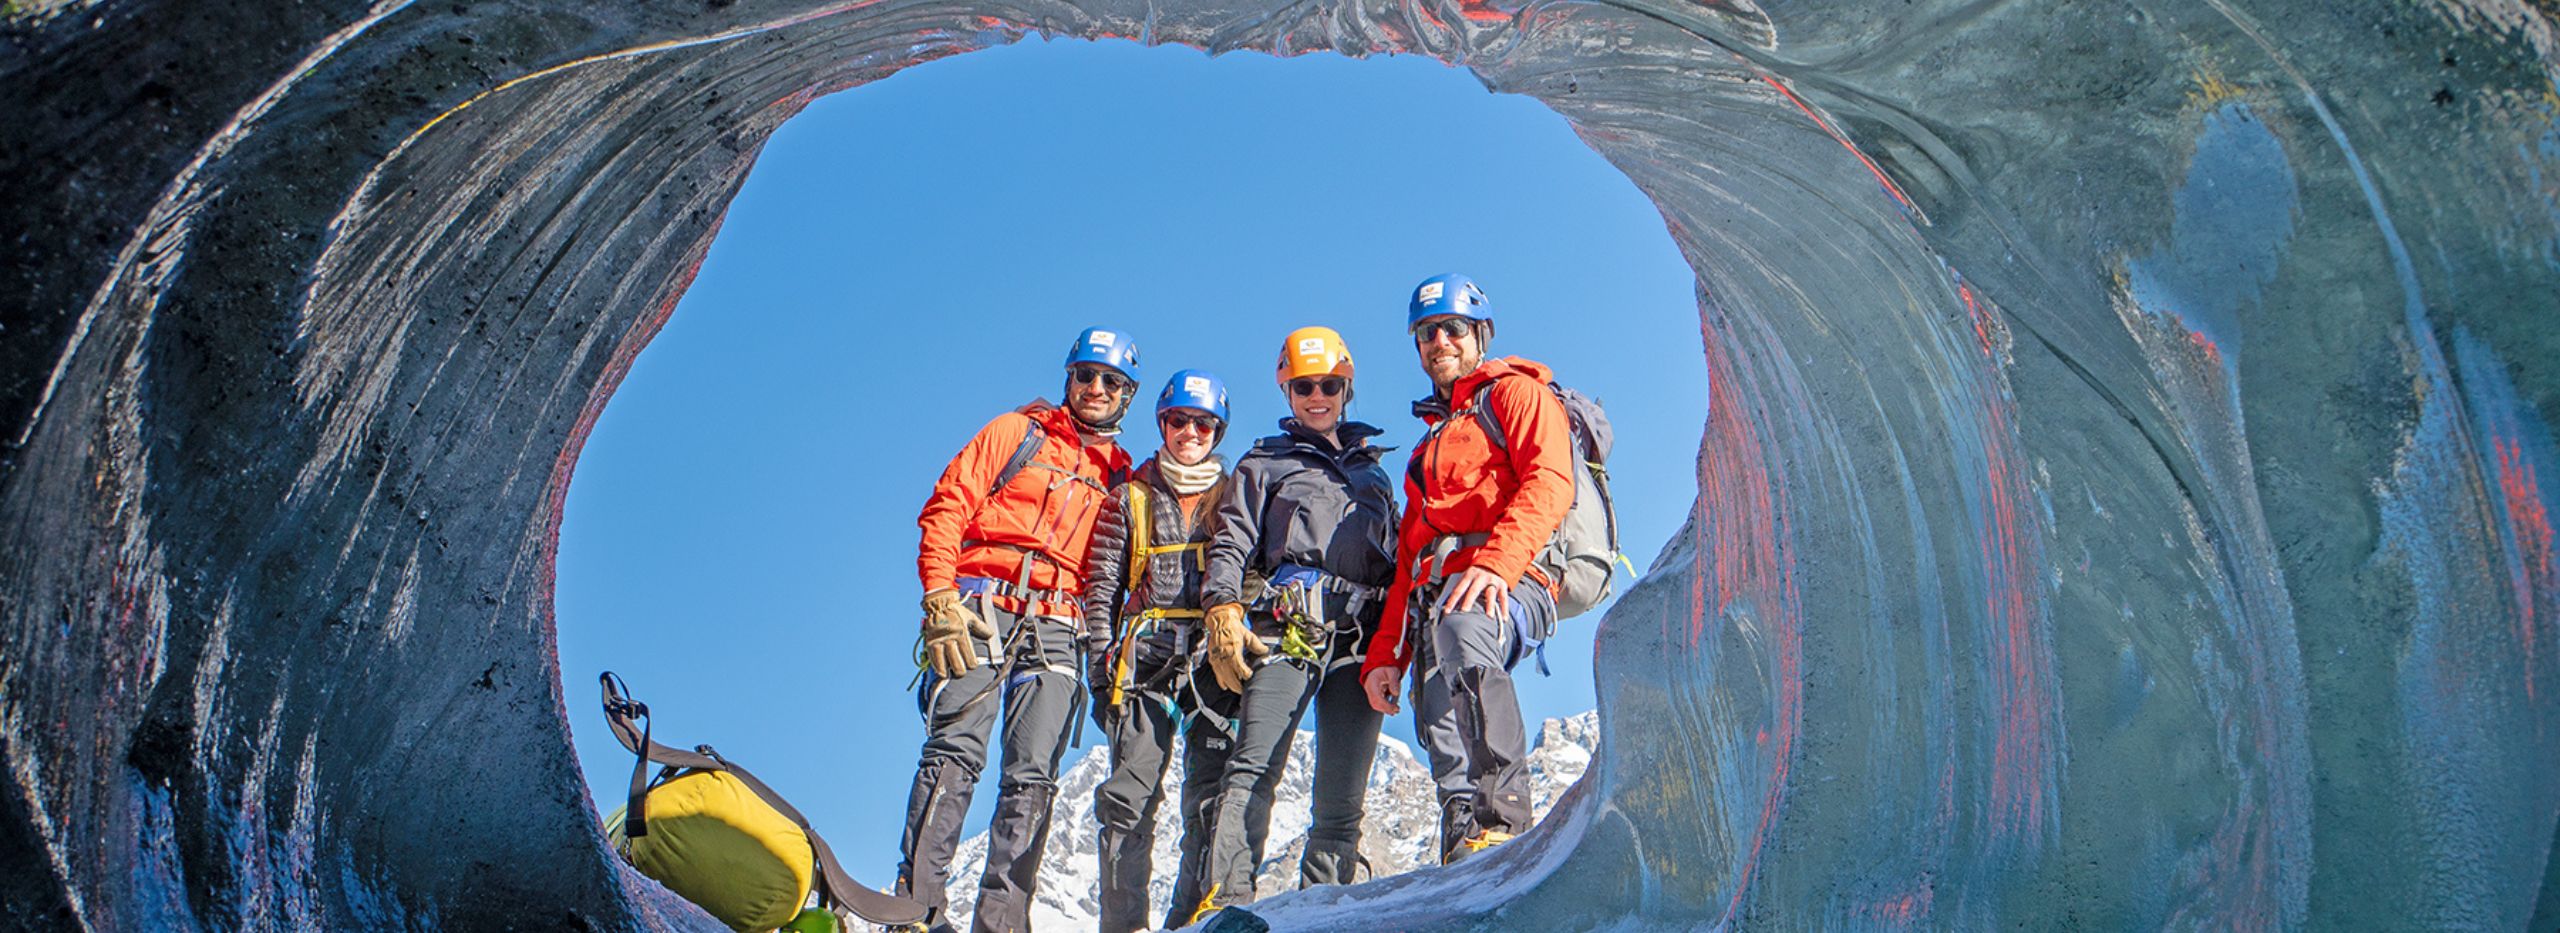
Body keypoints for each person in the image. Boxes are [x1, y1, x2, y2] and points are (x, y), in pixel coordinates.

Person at [897, 327, 1140, 933]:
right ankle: (916, 911)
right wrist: (939, 597)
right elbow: (949, 503)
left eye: (1111, 381)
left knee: (1034, 772)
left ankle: (1002, 922)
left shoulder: (1122, 477)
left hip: (1060, 623)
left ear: (1127, 396)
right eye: (1086, 374)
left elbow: (1120, 569)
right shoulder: (1016, 433)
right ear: (1068, 377)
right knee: (954, 748)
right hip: (979, 609)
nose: (1095, 388)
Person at [1361, 274, 1573, 864]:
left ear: (1480, 333)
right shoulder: (1429, 445)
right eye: (1427, 332)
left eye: (1452, 328)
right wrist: (1386, 656)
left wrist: (1497, 565)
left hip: (1513, 581)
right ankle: (1465, 857)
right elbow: (1410, 563)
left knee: (1465, 628)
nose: (1439, 341)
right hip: (1440, 598)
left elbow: (1550, 482)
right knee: (1441, 717)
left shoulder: (1516, 395)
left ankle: (1504, 819)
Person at [1191, 326, 1399, 919]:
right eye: (1304, 385)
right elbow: (1230, 542)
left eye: (1329, 385)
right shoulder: (1264, 464)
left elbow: (1397, 561)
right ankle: (1227, 902)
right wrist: (1222, 607)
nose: (1317, 396)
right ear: (1287, 389)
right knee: (1255, 765)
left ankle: (1322, 910)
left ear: (1346, 387)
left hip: (1359, 634)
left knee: (1342, 794)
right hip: (1290, 625)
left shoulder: (1375, 473)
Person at [1080, 369, 1236, 933]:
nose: (1189, 432)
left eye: (1202, 422)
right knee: (1128, 798)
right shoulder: (1130, 497)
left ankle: (1188, 922)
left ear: (1217, 430)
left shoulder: (1236, 494)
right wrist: (1100, 673)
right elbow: (1100, 589)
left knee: (1211, 797)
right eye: (1178, 421)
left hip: (1215, 664)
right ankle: (1123, 926)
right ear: (1162, 424)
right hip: (1143, 661)